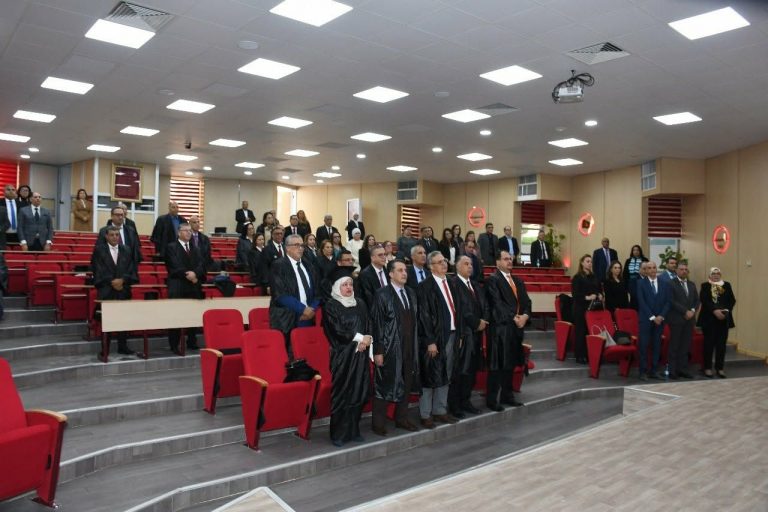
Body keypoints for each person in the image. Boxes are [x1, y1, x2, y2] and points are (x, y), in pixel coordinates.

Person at [370, 259, 420, 436]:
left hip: (409, 346)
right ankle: (378, 423)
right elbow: (377, 324)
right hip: (390, 347)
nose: (404, 273)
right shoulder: (382, 294)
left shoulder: (411, 293)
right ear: (390, 274)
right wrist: (378, 350)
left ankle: (401, 418)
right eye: (399, 270)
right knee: (384, 384)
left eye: (405, 270)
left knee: (406, 382)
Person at [322, 275, 372, 447]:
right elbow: (336, 330)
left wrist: (367, 338)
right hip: (343, 356)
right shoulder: (331, 305)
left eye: (351, 284)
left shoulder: (360, 303)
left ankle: (354, 431)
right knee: (342, 393)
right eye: (344, 285)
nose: (349, 287)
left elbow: (368, 323)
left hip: (361, 354)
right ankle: (338, 434)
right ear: (337, 287)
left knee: (359, 391)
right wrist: (360, 338)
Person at [417, 251, 463, 428]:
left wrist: (459, 335)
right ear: (431, 266)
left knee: (446, 374)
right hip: (435, 338)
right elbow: (424, 317)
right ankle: (425, 414)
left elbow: (457, 310)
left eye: (444, 261)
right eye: (439, 262)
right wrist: (430, 341)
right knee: (430, 375)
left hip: (452, 335)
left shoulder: (452, 282)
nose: (444, 264)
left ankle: (440, 410)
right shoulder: (424, 286)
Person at [484, 250, 530, 410]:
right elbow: (497, 304)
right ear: (497, 262)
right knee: (497, 366)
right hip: (500, 329)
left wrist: (525, 316)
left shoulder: (518, 281)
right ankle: (492, 400)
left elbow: (527, 302)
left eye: (510, 259)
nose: (509, 261)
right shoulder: (492, 280)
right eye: (505, 259)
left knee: (510, 364)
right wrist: (515, 318)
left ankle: (507, 396)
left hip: (516, 329)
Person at [269, 234, 320, 355]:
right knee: (290, 356)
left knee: (307, 354)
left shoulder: (309, 265)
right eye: (297, 245)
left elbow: (318, 292)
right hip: (288, 319)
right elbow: (280, 295)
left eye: (302, 245)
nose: (301, 248)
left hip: (308, 318)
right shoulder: (278, 265)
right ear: (287, 248)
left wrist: (312, 309)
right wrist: (303, 309)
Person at [91, 226, 138, 356]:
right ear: (106, 236)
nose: (115, 237)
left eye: (117, 235)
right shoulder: (99, 250)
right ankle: (105, 349)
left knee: (123, 320)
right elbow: (97, 270)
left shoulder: (126, 249)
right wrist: (112, 282)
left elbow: (131, 269)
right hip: (107, 290)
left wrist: (122, 280)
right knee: (107, 322)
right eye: (112, 235)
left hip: (123, 289)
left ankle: (122, 346)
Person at [451, 255, 488, 416]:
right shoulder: (453, 284)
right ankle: (455, 405)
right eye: (466, 264)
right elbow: (460, 309)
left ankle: (466, 401)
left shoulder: (475, 285)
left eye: (471, 264)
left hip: (476, 335)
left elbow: (484, 305)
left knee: (471, 371)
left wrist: (484, 320)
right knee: (460, 371)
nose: (470, 266)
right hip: (463, 335)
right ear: (457, 266)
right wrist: (476, 322)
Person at [165, 223, 204, 354]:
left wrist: (195, 274)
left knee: (192, 315)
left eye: (190, 231)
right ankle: (174, 344)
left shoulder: (195, 248)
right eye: (185, 230)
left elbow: (201, 265)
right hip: (178, 285)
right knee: (176, 316)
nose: (188, 233)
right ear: (179, 233)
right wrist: (189, 275)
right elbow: (173, 265)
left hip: (193, 286)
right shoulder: (171, 247)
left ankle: (192, 341)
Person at [698, 267, 736, 379]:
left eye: (718, 273)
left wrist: (725, 311)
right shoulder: (705, 286)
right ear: (710, 275)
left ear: (720, 275)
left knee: (721, 345)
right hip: (709, 319)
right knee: (708, 345)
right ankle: (707, 368)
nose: (716, 275)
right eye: (713, 274)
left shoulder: (726, 285)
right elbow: (704, 300)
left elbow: (732, 300)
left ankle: (720, 368)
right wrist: (715, 311)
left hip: (723, 319)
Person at [637, 261, 671, 380]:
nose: (652, 270)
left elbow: (668, 302)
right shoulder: (640, 283)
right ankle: (643, 371)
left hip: (660, 320)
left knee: (657, 346)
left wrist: (661, 316)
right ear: (645, 270)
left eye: (654, 267)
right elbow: (641, 302)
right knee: (644, 346)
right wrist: (652, 317)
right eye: (649, 268)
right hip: (646, 320)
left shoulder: (664, 283)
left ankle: (654, 370)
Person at [667, 261, 699, 379]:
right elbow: (671, 301)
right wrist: (685, 311)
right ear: (676, 270)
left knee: (685, 346)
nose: (684, 271)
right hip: (676, 319)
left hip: (689, 320)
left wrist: (692, 311)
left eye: (686, 269)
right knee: (674, 346)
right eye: (681, 269)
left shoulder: (691, 284)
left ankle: (683, 369)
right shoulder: (670, 283)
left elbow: (697, 301)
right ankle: (672, 371)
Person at [571, 254, 603, 365]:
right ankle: (580, 355)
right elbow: (575, 294)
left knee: (591, 331)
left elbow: (599, 289)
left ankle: (590, 354)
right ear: (582, 263)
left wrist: (600, 295)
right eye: (587, 261)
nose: (590, 263)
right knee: (581, 332)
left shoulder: (594, 276)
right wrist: (588, 297)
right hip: (581, 308)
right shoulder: (577, 277)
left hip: (593, 308)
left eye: (591, 261)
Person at [623, 244, 648, 309]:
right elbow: (625, 273)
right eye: (634, 250)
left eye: (637, 250)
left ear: (640, 251)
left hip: (641, 280)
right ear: (632, 251)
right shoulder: (628, 260)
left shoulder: (645, 259)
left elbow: (647, 271)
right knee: (633, 298)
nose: (636, 251)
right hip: (630, 282)